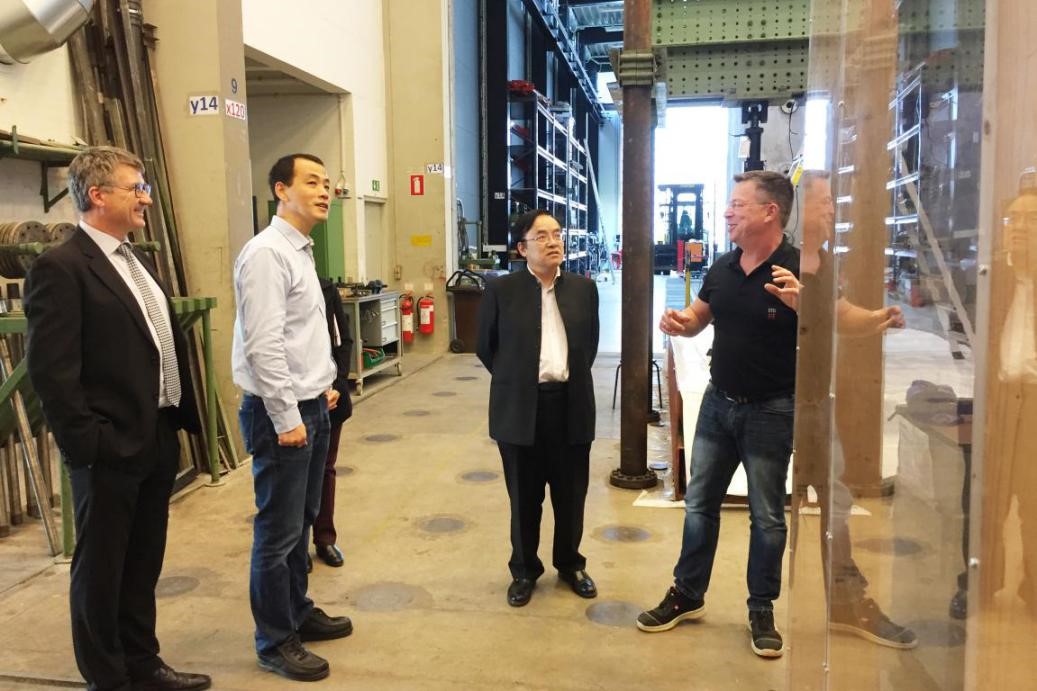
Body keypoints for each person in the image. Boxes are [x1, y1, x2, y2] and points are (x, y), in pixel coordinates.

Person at [24, 146, 210, 691]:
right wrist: (90, 444)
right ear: (98, 195)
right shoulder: (61, 268)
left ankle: (142, 661)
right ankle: (107, 676)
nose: (146, 198)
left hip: (156, 434)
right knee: (102, 568)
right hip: (109, 446)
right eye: (136, 188)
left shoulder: (135, 260)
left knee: (142, 560)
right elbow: (52, 372)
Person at [637, 170, 801, 658]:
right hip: (718, 403)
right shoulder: (724, 266)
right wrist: (680, 322)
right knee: (699, 504)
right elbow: (699, 316)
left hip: (772, 409)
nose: (727, 213)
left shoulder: (799, 268)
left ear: (770, 212)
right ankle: (687, 593)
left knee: (767, 516)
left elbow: (829, 329)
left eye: (737, 205)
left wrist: (806, 305)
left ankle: (761, 608)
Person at [233, 153, 352, 682]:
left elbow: (301, 333)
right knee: (277, 533)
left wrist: (322, 385)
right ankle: (275, 640)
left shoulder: (300, 250)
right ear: (281, 190)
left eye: (327, 183)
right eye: (311, 182)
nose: (325, 191)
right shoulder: (266, 253)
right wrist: (286, 417)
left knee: (302, 523)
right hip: (279, 413)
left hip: (311, 404)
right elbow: (263, 345)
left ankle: (298, 612)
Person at [793, 170, 916, 649]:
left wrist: (876, 319)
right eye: (823, 202)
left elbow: (839, 314)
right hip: (770, 403)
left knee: (835, 501)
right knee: (756, 511)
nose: (831, 210)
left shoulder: (825, 262)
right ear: (799, 208)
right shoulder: (778, 258)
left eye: (831, 202)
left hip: (813, 403)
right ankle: (745, 603)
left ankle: (845, 601)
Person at [477, 209, 600, 607]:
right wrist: (517, 380)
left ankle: (570, 564)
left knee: (571, 495)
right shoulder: (501, 290)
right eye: (542, 236)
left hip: (570, 405)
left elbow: (589, 347)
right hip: (520, 408)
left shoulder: (584, 289)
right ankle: (524, 570)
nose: (553, 242)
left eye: (557, 234)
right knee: (524, 498)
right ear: (521, 248)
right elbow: (486, 347)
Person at [311, 277, 354, 569]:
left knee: (325, 468)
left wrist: (338, 385)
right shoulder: (278, 287)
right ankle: (295, 545)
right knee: (297, 475)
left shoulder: (326, 290)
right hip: (295, 401)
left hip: (331, 398)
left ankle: (324, 537)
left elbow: (343, 342)